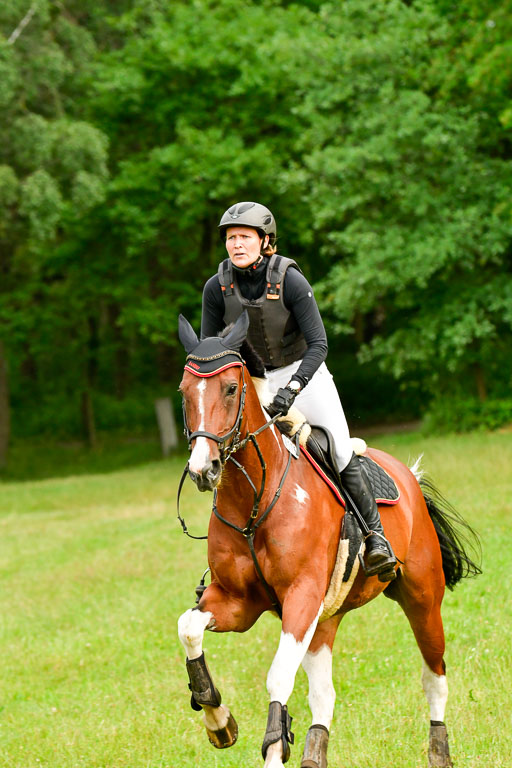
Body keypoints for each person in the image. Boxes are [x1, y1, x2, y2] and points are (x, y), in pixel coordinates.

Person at [201, 201, 397, 581]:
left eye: (244, 237)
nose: (236, 244)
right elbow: (212, 350)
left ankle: (377, 538)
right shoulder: (216, 287)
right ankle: (230, 553)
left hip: (303, 373)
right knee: (230, 453)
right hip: (253, 381)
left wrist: (292, 388)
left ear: (265, 240)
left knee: (338, 447)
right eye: (230, 238)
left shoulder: (289, 279)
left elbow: (319, 344)